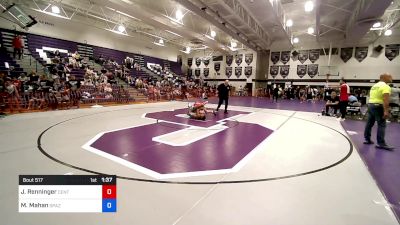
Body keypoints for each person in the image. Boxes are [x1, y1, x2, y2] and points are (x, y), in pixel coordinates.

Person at [363, 73, 394, 151]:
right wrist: (386, 111)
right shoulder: (386, 86)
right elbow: (385, 99)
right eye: (390, 76)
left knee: (369, 123)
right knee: (382, 124)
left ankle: (367, 139)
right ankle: (381, 143)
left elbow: (371, 96)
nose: (392, 78)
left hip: (370, 105)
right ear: (384, 77)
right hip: (378, 106)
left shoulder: (374, 86)